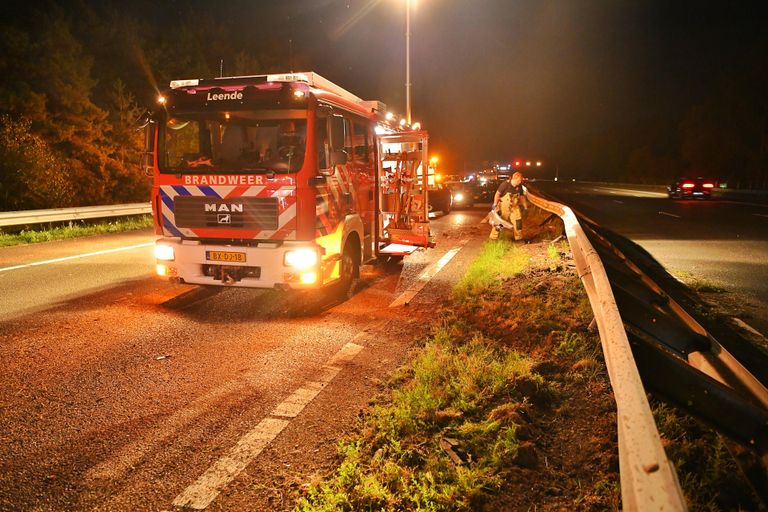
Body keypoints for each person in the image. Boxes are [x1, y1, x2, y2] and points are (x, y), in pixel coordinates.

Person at [489, 171, 529, 241]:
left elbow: (522, 197)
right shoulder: (505, 185)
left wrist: (525, 207)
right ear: (515, 179)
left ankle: (518, 239)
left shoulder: (519, 187)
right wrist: (495, 204)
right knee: (499, 223)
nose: (520, 182)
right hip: (504, 207)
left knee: (518, 223)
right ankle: (493, 238)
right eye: (519, 180)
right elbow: (497, 194)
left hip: (514, 207)